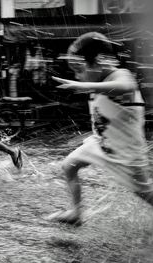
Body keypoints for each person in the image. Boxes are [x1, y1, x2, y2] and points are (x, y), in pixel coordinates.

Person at [50, 32, 153, 225]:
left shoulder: (119, 75)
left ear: (99, 62)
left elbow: (127, 86)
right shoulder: (98, 80)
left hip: (126, 153)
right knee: (69, 166)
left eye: (79, 69)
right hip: (101, 143)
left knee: (146, 194)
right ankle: (76, 213)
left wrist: (84, 85)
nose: (77, 76)